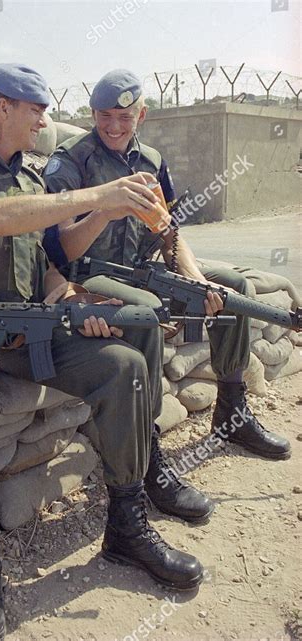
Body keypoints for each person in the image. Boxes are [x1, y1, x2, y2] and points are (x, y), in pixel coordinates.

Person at [0, 64, 205, 641]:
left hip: (25, 331)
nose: (44, 119)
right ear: (1, 112)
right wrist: (102, 195)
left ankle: (126, 521)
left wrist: (67, 299)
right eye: (34, 109)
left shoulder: (30, 183)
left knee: (126, 366)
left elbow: (44, 266)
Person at [42, 68, 291, 527]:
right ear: (92, 114)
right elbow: (61, 250)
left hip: (145, 268)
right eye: (103, 116)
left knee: (232, 288)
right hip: (89, 278)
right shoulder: (69, 162)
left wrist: (196, 279)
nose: (114, 126)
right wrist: (104, 208)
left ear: (142, 114)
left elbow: (169, 233)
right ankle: (149, 455)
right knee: (144, 312)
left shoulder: (151, 159)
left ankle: (231, 411)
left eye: (124, 116)